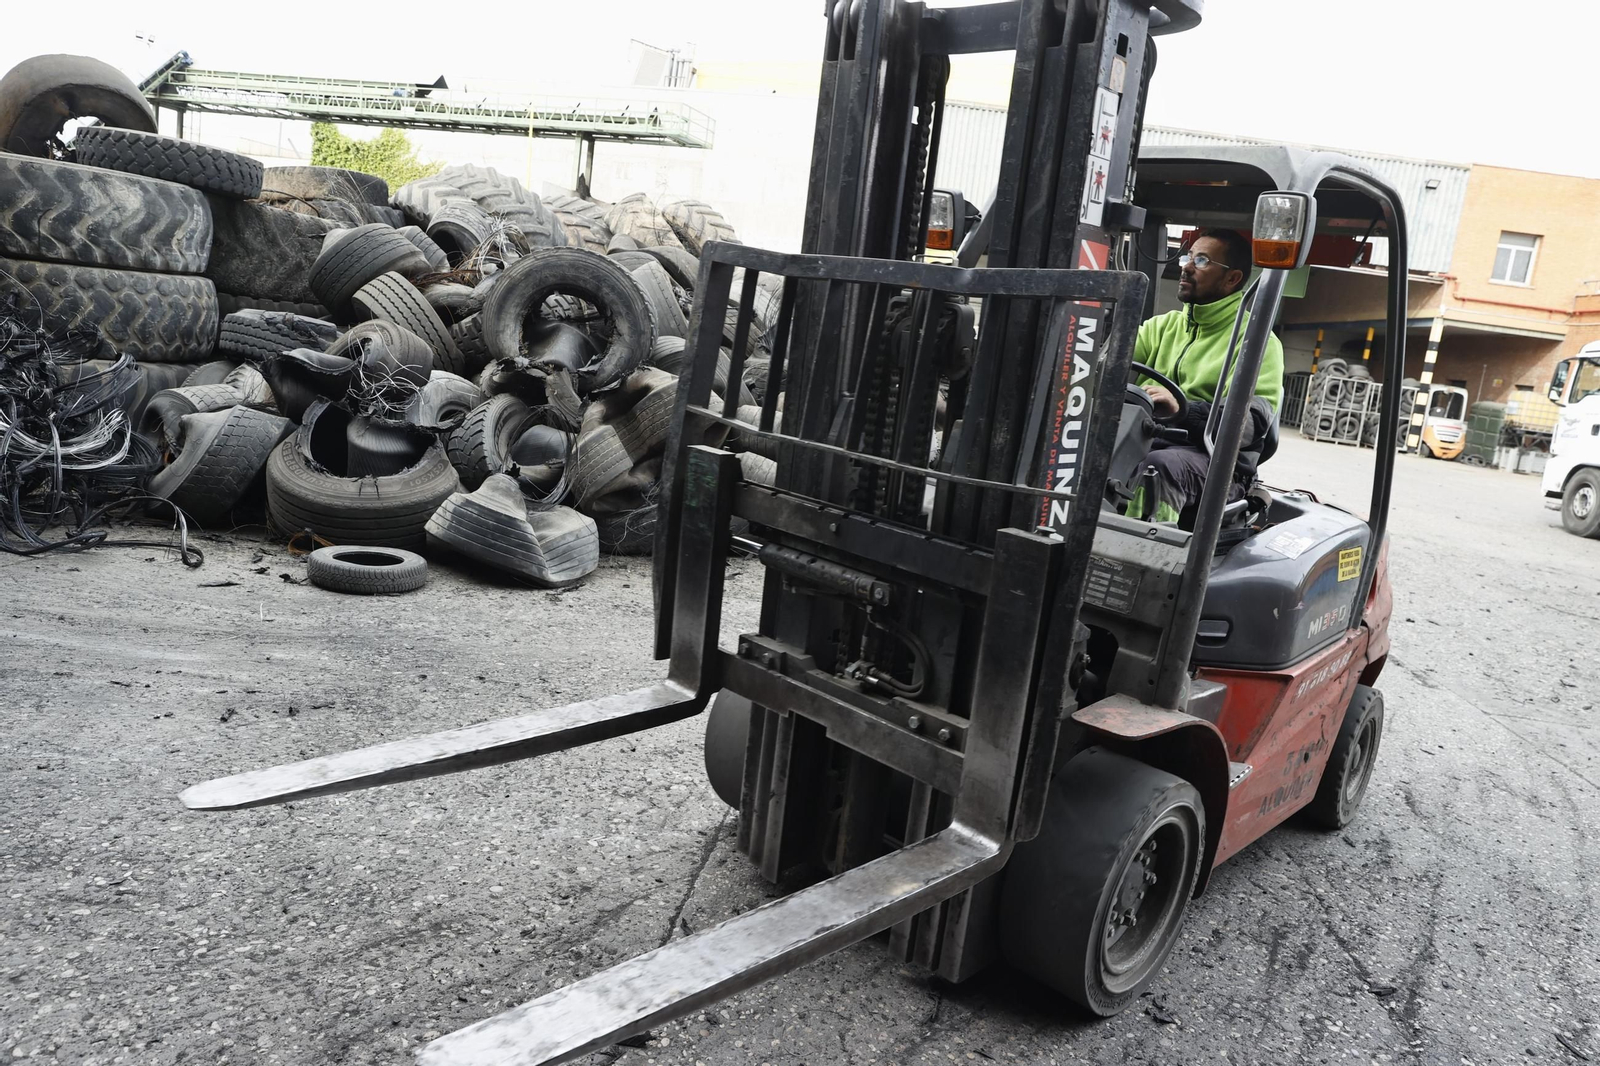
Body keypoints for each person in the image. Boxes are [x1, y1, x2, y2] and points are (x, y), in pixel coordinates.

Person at [1128, 228, 1284, 523]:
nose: (1186, 266)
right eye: (1188, 257)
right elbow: (1104, 367)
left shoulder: (1256, 342)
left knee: (1159, 468)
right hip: (1143, 439)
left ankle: (1141, 558)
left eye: (1201, 261)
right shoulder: (1160, 328)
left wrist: (1181, 410)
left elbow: (1250, 424)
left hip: (1218, 463)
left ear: (1232, 279)